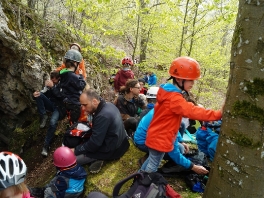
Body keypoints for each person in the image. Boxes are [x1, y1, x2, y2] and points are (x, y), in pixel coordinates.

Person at [140, 56, 223, 173]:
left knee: (151, 161)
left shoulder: (168, 93)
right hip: (160, 140)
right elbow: (193, 111)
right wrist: (218, 114)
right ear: (179, 80)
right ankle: (142, 186)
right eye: (190, 80)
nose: (193, 83)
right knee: (153, 166)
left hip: (156, 136)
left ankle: (139, 179)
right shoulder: (174, 99)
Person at [73, 89, 130, 173]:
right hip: (121, 142)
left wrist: (76, 150)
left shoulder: (102, 116)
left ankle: (99, 158)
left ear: (95, 101)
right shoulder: (109, 105)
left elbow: (94, 144)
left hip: (113, 150)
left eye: (85, 105)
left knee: (72, 160)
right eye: (81, 105)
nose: (83, 108)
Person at [59, 49, 86, 125]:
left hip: (66, 101)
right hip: (74, 103)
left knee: (71, 121)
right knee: (75, 123)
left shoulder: (63, 73)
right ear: (75, 63)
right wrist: (81, 75)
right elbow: (81, 85)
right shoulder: (72, 76)